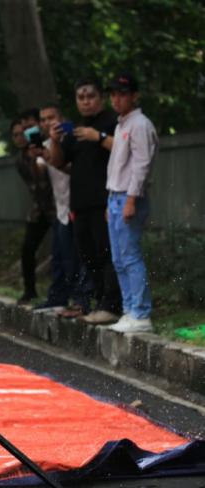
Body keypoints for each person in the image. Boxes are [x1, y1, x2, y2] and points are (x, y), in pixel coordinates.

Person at [48, 78, 122, 324]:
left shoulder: (112, 122)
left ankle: (113, 305)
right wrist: (55, 141)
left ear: (101, 97)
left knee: (108, 254)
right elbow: (58, 162)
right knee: (88, 256)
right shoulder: (76, 129)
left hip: (106, 201)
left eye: (90, 96)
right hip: (79, 204)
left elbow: (124, 150)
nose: (86, 101)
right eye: (81, 97)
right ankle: (98, 301)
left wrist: (97, 136)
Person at [104, 73, 157, 333]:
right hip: (116, 196)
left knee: (130, 255)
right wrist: (110, 200)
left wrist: (131, 199)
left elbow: (141, 165)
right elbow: (117, 167)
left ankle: (141, 312)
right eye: (113, 94)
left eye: (122, 94)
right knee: (118, 258)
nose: (116, 99)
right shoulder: (121, 125)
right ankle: (129, 310)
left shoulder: (140, 125)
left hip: (129, 196)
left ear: (134, 96)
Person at [34, 103, 91, 315]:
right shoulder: (45, 145)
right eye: (43, 119)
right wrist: (35, 156)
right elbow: (39, 172)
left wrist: (52, 151)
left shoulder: (73, 140)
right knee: (61, 256)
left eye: (51, 118)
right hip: (60, 209)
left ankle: (82, 300)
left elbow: (71, 169)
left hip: (77, 206)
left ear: (62, 119)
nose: (47, 122)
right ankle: (60, 297)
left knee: (80, 257)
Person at [13, 111, 55, 304]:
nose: (21, 136)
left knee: (64, 250)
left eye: (26, 131)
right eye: (17, 134)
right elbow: (34, 181)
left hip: (56, 206)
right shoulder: (21, 159)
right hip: (39, 209)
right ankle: (30, 290)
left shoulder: (48, 146)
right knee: (27, 249)